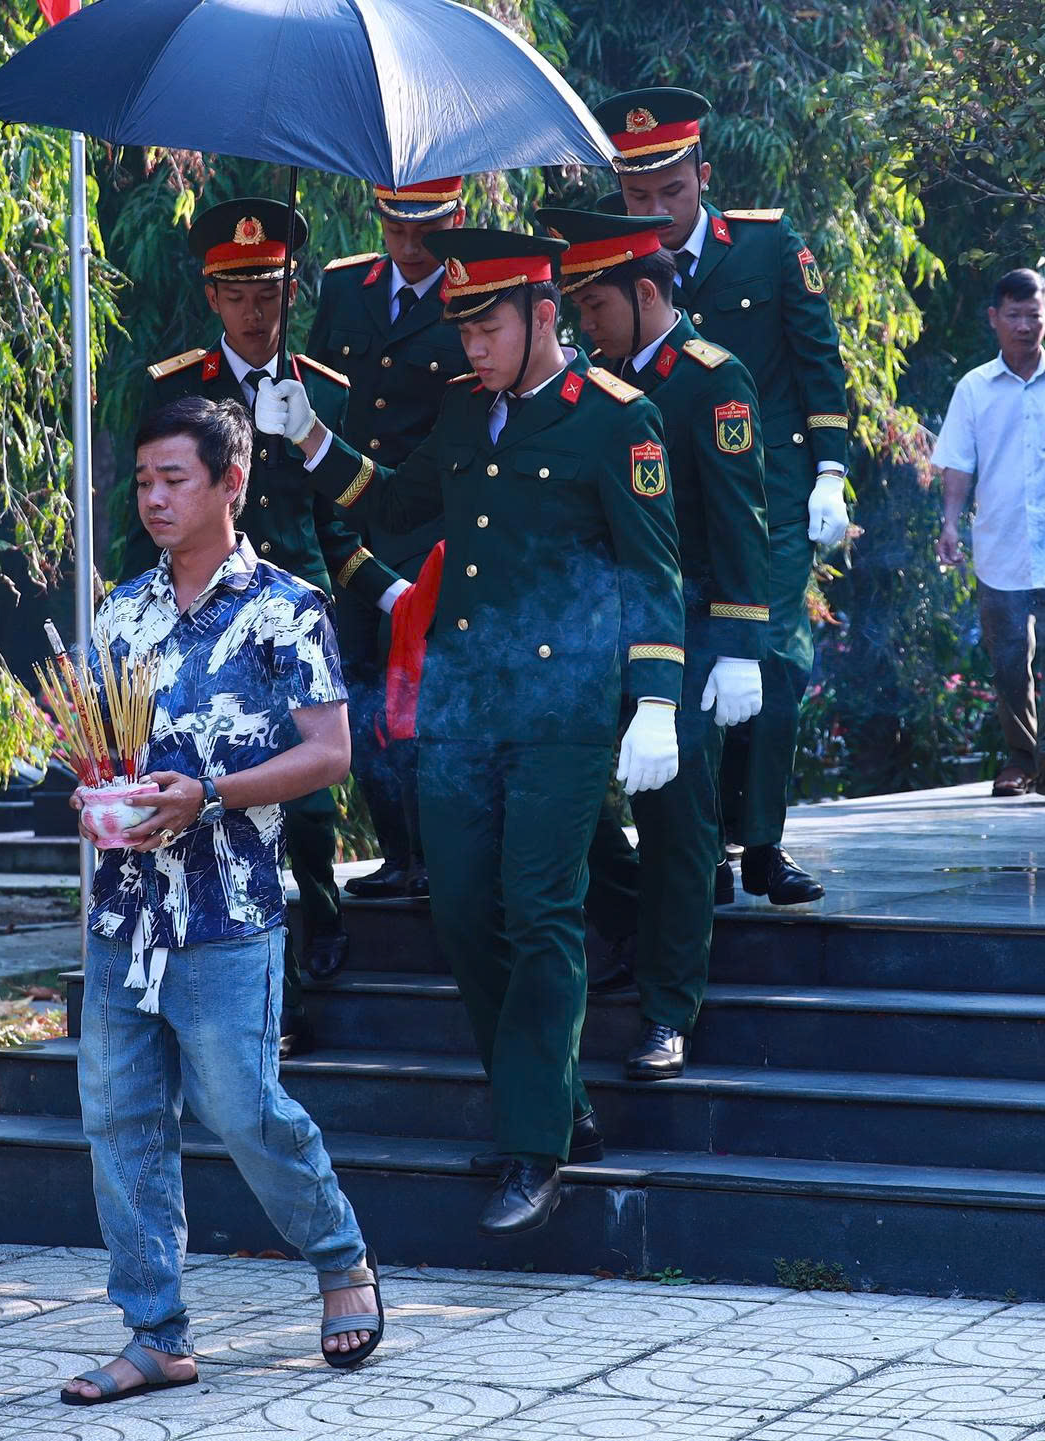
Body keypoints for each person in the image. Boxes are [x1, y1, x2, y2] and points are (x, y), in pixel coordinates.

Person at [255, 227, 685, 1237]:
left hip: (562, 713)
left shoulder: (614, 419)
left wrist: (657, 699)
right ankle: (555, 1103)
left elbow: (652, 568)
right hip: (459, 705)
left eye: (487, 326)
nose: (472, 346)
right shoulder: (460, 410)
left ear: (544, 315)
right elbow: (392, 502)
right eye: (462, 328)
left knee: (539, 910)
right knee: (458, 910)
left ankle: (533, 1144)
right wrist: (309, 437)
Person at [63, 396, 383, 1405]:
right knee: (120, 1122)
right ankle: (155, 1333)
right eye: (143, 481)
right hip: (124, 916)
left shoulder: (286, 607)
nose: (154, 498)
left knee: (244, 1110)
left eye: (174, 479)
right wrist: (97, 796)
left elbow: (329, 753)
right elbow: (101, 748)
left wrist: (207, 795)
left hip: (227, 911)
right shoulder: (121, 611)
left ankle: (339, 1254)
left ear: (229, 483)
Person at [119, 197, 405, 1038]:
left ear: (292, 291)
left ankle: (317, 927)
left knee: (306, 805)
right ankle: (275, 997)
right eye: (237, 293)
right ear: (212, 295)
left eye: (270, 293)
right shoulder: (177, 388)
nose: (255, 311)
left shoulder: (325, 393)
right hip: (201, 620)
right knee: (217, 794)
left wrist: (388, 592)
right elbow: (144, 513)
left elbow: (338, 529)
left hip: (291, 619)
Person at [595, 86, 852, 907]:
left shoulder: (768, 247)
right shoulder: (615, 262)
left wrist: (832, 470)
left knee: (771, 658)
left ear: (703, 176)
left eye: (671, 190)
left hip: (765, 500)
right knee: (682, 668)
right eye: (638, 195)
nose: (656, 210)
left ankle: (763, 844)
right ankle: (698, 848)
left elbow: (817, 359)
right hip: (662, 505)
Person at [542, 206, 770, 1080]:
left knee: (677, 819)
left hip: (693, 630)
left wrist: (741, 643)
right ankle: (638, 927)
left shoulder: (713, 379)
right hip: (599, 630)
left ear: (645, 294)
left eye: (595, 305)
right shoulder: (590, 387)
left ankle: (669, 1006)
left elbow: (739, 516)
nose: (585, 323)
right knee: (570, 792)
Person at [303, 176, 471, 902]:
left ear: (457, 219)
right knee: (356, 686)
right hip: (346, 522)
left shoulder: (474, 296)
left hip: (427, 524)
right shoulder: (348, 286)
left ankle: (433, 851)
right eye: (395, 229)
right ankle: (396, 850)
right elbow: (322, 391)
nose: (408, 246)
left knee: (417, 694)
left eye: (426, 232)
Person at [932, 268, 1045, 797]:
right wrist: (949, 523)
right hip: (1001, 542)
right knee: (1009, 657)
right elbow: (958, 465)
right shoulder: (974, 389)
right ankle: (1019, 757)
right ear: (994, 318)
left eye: (1033, 315)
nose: (1024, 325)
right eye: (1013, 315)